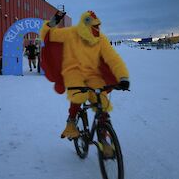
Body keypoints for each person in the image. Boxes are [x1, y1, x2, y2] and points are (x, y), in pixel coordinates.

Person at [40, 10, 130, 155]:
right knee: (79, 93)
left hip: (92, 74)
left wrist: (123, 77)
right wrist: (52, 22)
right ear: (85, 25)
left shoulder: (101, 39)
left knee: (101, 101)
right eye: (94, 26)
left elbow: (113, 58)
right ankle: (71, 121)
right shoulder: (71, 33)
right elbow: (48, 35)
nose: (97, 29)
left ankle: (104, 138)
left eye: (98, 26)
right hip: (72, 71)